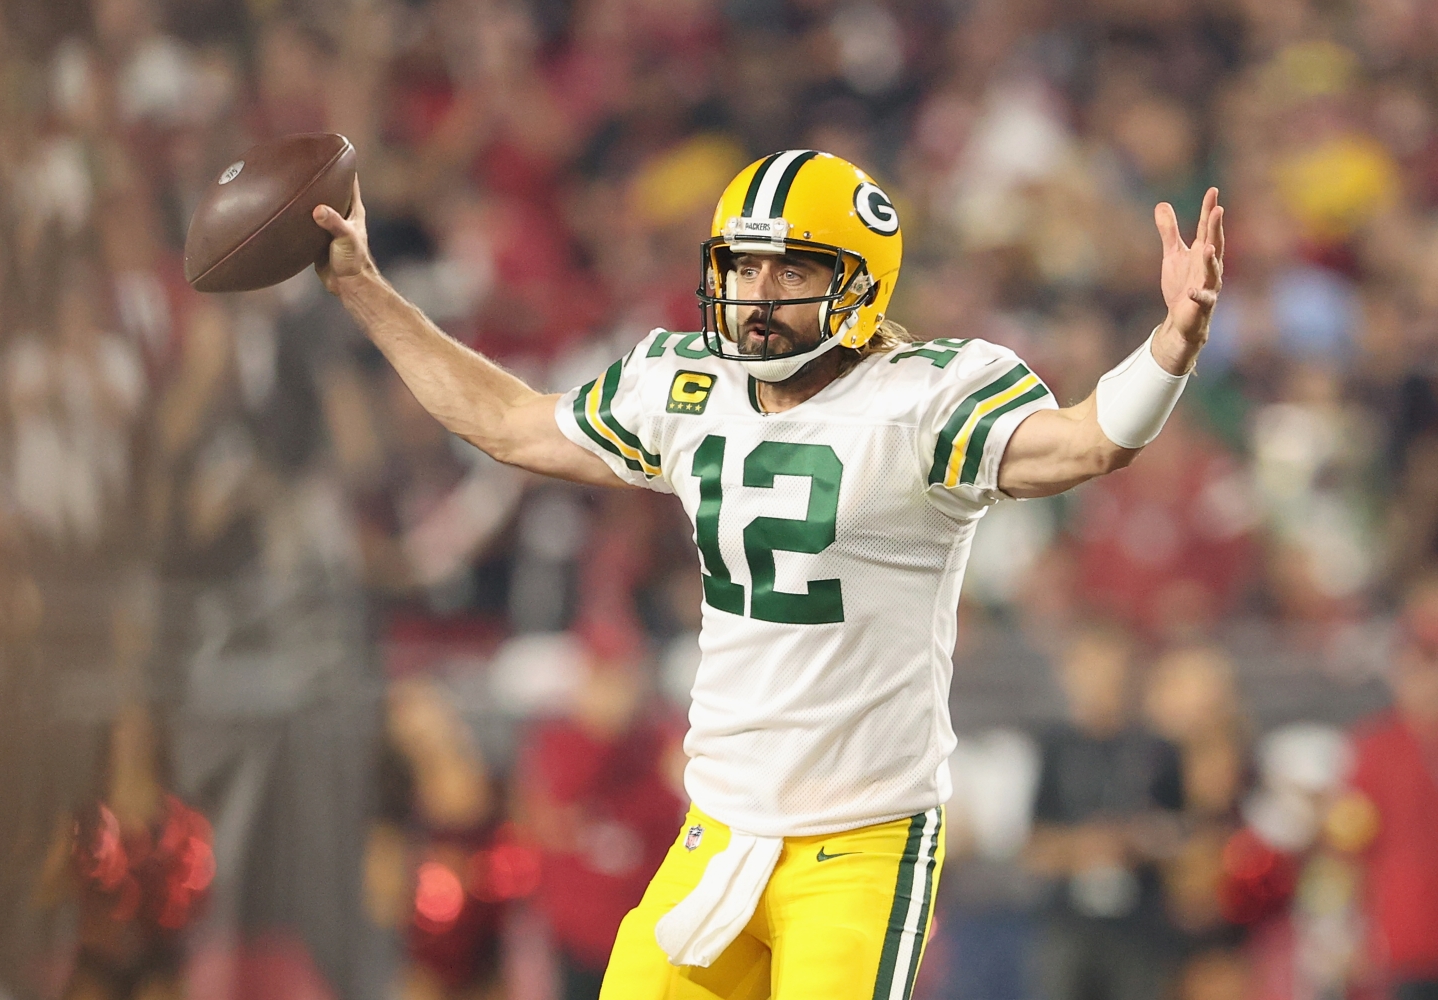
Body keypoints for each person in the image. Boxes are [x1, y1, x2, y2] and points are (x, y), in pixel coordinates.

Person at [312, 150, 1225, 1000]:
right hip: (720, 832)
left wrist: (1170, 346)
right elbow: (507, 422)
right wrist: (363, 288)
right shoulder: (684, 383)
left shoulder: (925, 398)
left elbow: (1086, 443)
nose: (757, 294)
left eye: (792, 270)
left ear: (859, 283)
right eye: (744, 268)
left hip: (863, 842)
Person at [1026, 626, 1186, 1000]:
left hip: (1140, 923)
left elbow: (1181, 835)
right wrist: (1081, 847)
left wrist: (1136, 841)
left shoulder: (1157, 747)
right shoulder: (1055, 747)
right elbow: (1033, 846)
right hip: (1067, 920)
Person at [1345, 576, 1438, 1000]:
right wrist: (1346, 931)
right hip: (1403, 944)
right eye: (1419, 660)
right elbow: (1347, 845)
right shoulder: (1375, 747)